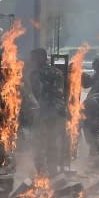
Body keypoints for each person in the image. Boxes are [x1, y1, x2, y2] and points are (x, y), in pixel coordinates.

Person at [28, 48, 67, 176]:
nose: (31, 61)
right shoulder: (57, 72)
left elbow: (36, 93)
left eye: (33, 58)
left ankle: (40, 172)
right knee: (53, 142)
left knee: (37, 142)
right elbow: (61, 92)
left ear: (39, 59)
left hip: (45, 112)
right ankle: (53, 171)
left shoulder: (35, 74)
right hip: (59, 112)